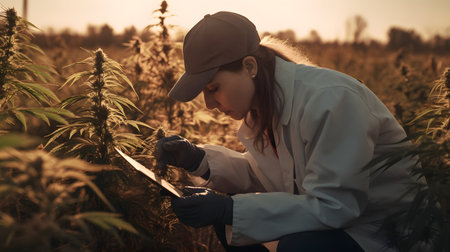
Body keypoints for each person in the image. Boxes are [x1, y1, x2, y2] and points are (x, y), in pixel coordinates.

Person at [155, 11, 417, 252]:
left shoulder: (331, 101)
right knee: (230, 224)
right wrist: (196, 160)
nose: (209, 105)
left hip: (386, 235)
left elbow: (336, 206)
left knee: (298, 244)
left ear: (249, 67)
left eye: (212, 89)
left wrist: (230, 209)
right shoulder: (266, 107)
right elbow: (270, 175)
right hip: (340, 229)